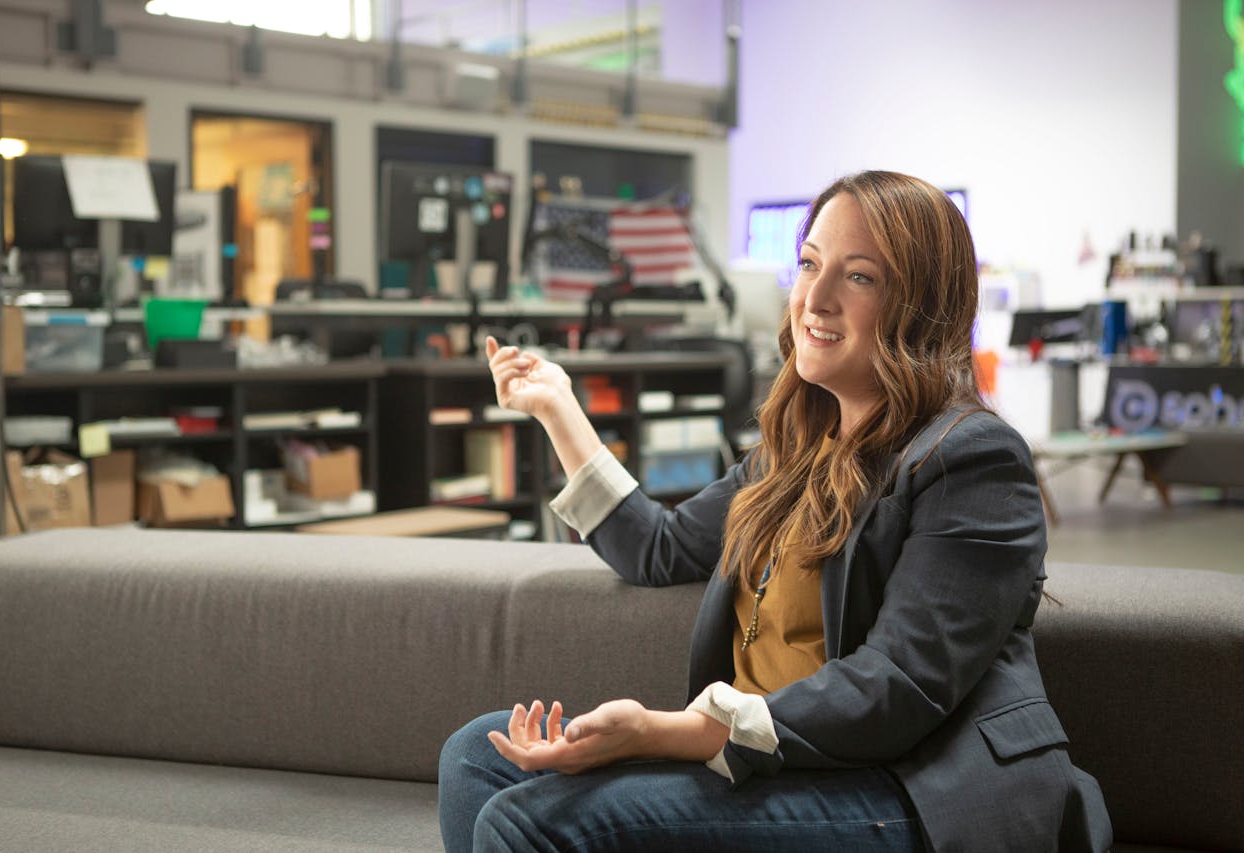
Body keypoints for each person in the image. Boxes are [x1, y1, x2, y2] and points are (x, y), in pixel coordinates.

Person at [438, 170, 1112, 852]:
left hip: (908, 789)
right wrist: (558, 406)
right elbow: (658, 548)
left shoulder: (972, 456)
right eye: (810, 265)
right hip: (774, 766)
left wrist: (667, 732)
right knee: (476, 755)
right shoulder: (792, 454)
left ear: (921, 305)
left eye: (859, 277)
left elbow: (900, 686)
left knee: (528, 821)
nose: (814, 299)